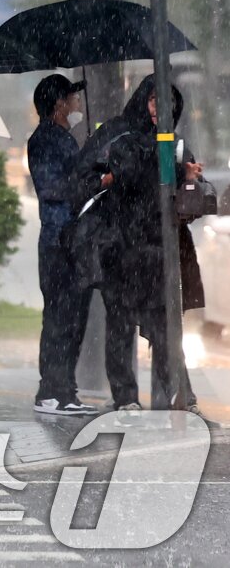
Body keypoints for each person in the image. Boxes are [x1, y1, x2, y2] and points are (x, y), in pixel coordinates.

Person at [74, 76, 202, 412]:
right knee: (120, 325)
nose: (161, 110)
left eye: (169, 104)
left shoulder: (173, 143)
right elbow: (88, 179)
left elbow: (184, 197)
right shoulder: (117, 134)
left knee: (164, 327)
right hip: (119, 246)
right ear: (142, 101)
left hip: (158, 250)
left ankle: (179, 395)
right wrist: (113, 176)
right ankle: (125, 398)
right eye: (155, 101)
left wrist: (189, 177)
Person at [28, 75, 97, 416]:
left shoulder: (65, 138)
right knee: (59, 317)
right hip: (58, 242)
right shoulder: (43, 140)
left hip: (74, 242)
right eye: (72, 98)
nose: (77, 104)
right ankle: (51, 392)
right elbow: (52, 188)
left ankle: (65, 390)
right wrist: (94, 182)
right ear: (58, 104)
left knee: (73, 318)